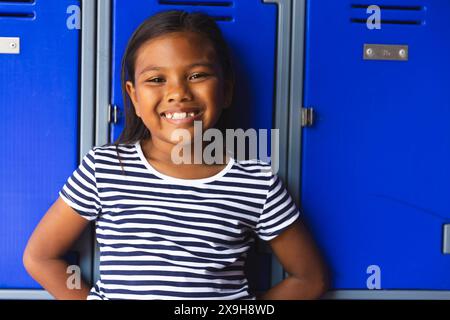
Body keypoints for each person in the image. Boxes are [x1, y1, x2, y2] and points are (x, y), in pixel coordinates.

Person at [23, 10, 329, 300]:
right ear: (133, 96)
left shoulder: (256, 182)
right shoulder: (104, 168)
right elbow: (40, 256)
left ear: (226, 91)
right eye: (157, 80)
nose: (178, 93)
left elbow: (310, 278)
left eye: (197, 76)